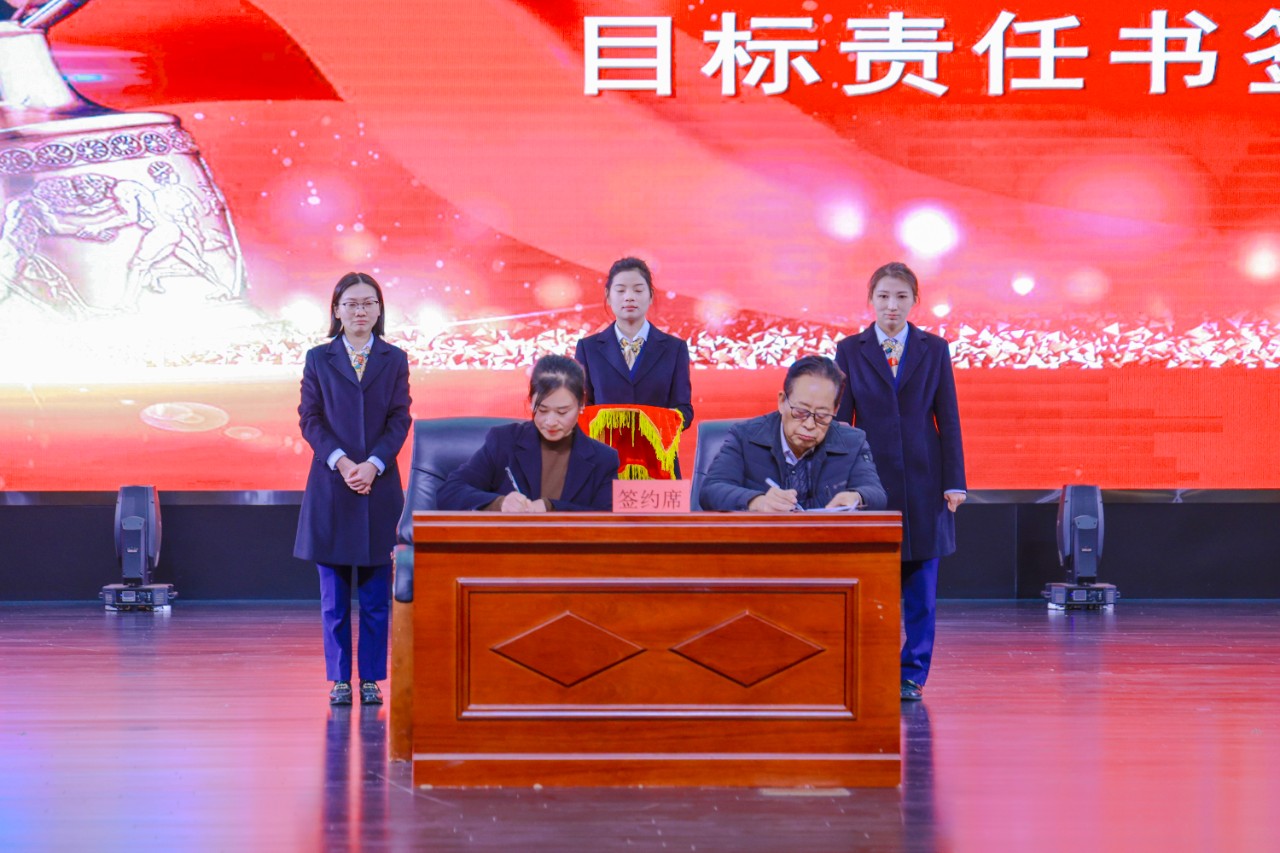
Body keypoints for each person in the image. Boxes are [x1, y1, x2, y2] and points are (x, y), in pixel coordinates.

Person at [834, 262, 966, 702]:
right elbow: (841, 422)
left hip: (926, 481)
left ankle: (913, 674)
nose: (892, 306)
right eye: (884, 296)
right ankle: (874, 666)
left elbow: (948, 418)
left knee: (922, 590)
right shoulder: (850, 350)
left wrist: (955, 482)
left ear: (914, 301)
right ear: (871, 300)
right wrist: (837, 482)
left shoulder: (934, 349)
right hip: (869, 482)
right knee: (875, 586)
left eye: (901, 297)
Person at [294, 271, 412, 707]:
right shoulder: (318, 358)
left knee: (378, 599)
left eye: (368, 303)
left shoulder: (394, 359)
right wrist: (343, 463)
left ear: (379, 310)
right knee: (335, 599)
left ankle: (372, 679)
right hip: (332, 486)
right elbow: (310, 419)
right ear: (336, 310)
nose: (360, 310)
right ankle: (340, 678)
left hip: (379, 487)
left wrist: (373, 464)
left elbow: (400, 418)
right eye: (351, 303)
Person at [699, 355, 886, 513]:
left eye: (822, 415)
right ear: (782, 402)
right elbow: (711, 491)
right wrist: (757, 501)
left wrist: (856, 497)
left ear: (835, 410)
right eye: (800, 412)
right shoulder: (745, 436)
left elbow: (876, 494)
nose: (810, 425)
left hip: (826, 542)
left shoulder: (853, 442)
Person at [438, 355, 619, 511]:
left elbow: (608, 518)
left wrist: (552, 508)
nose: (550, 421)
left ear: (581, 404)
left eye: (562, 412)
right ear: (530, 401)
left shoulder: (603, 459)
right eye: (542, 410)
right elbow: (450, 492)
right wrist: (499, 503)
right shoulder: (504, 441)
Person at [573, 257, 694, 432]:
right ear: (608, 296)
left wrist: (659, 424)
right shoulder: (588, 349)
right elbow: (581, 408)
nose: (629, 297)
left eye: (638, 290)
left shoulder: (675, 349)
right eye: (620, 290)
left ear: (651, 296)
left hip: (657, 447)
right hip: (604, 448)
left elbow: (684, 410)